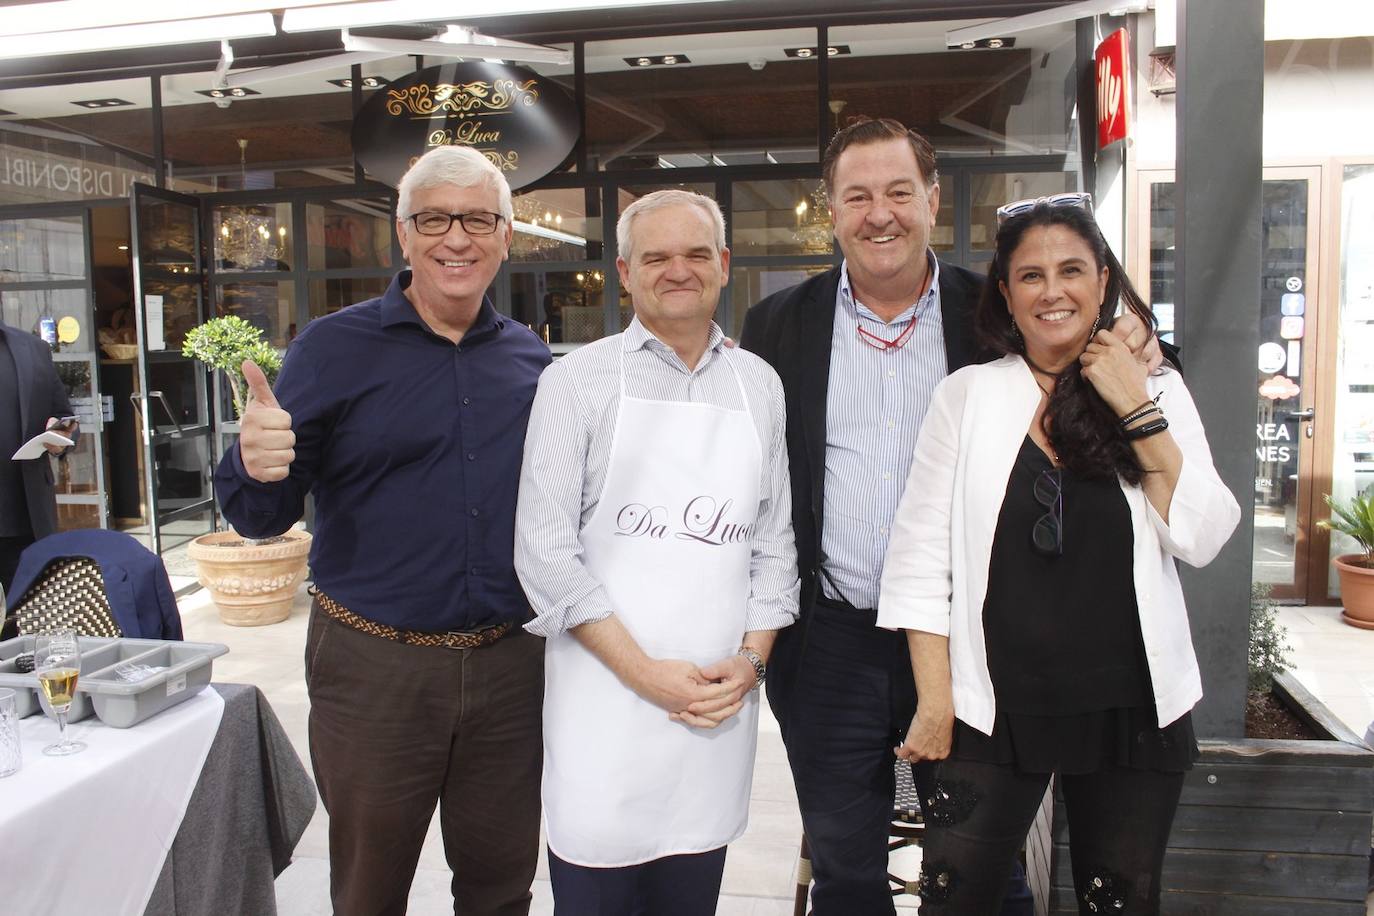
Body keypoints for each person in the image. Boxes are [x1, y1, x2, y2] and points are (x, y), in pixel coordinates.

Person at [739, 118, 1163, 915]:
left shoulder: (991, 311)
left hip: (972, 642)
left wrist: (1133, 336)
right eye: (857, 195)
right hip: (828, 645)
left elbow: (1082, 337)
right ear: (828, 210)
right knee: (846, 868)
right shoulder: (778, 326)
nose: (880, 213)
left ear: (932, 200)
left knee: (980, 869)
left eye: (899, 191)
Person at [877, 196, 1240, 915]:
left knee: (1119, 902)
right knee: (952, 899)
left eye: (1071, 270)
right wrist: (935, 700)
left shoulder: (1155, 385)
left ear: (1102, 282)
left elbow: (1203, 535)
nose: (1053, 291)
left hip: (1131, 704)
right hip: (992, 706)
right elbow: (919, 561)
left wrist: (1136, 406)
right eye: (1031, 275)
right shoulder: (969, 396)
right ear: (1006, 295)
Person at [215, 145, 550, 916]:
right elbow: (259, 518)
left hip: (510, 669)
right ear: (403, 235)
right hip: (373, 670)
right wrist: (253, 463)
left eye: (477, 219)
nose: (455, 239)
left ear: (505, 235)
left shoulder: (531, 360)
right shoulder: (333, 348)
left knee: (501, 888)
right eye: (434, 218)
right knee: (369, 890)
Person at [515, 189, 799, 916]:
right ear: (624, 273)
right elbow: (543, 555)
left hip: (712, 714)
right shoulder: (573, 382)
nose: (679, 270)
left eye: (696, 253)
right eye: (657, 257)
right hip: (603, 712)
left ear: (725, 265)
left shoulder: (759, 385)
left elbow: (774, 548)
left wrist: (751, 663)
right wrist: (645, 674)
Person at [1, 320, 78, 595]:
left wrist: (60, 439)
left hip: (25, 520)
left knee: (27, 620)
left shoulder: (33, 349)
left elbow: (63, 416)